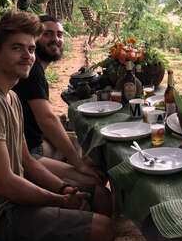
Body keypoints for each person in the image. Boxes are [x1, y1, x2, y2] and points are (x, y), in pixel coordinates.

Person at [0, 11, 115, 241]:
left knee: (93, 196)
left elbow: (27, 161)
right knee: (105, 229)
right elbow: (4, 182)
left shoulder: (10, 97)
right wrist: (56, 199)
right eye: (17, 48)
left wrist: (63, 188)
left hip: (11, 202)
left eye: (31, 49)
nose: (28, 55)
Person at [12, 14, 110, 212]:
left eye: (59, 34)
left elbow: (45, 118)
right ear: (34, 38)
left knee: (89, 149)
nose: (55, 39)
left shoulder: (36, 68)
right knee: (97, 183)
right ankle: (91, 222)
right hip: (29, 153)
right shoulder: (31, 71)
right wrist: (78, 164)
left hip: (34, 142)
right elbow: (47, 120)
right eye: (47, 34)